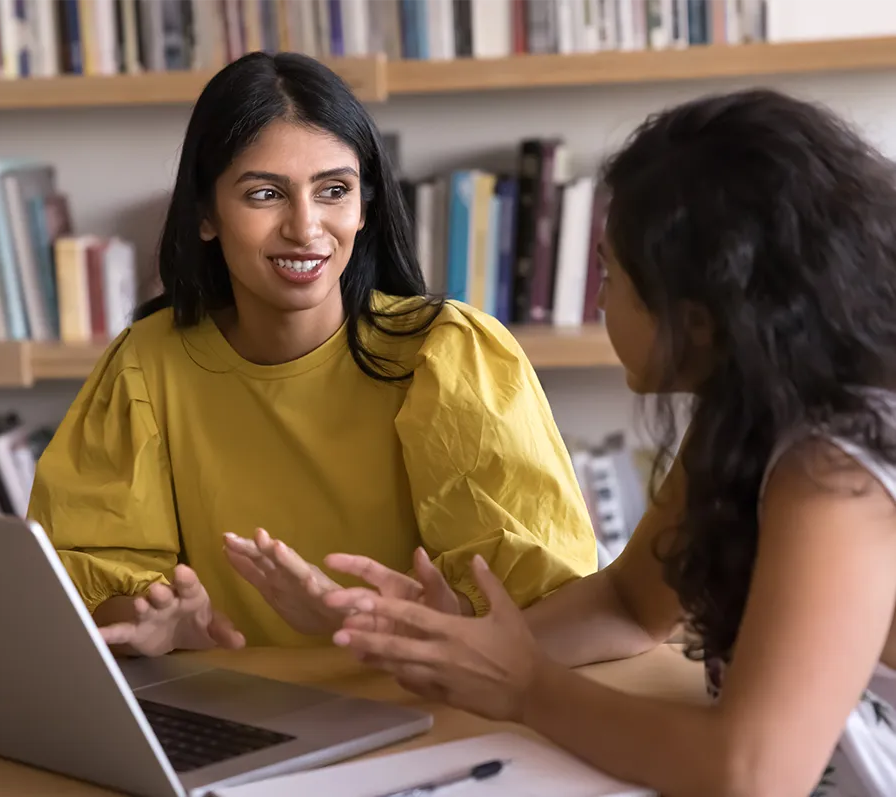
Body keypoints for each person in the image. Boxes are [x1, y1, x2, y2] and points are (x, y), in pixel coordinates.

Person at [326, 88, 896, 797]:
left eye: (611, 273)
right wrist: (473, 650)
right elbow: (631, 605)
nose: (598, 299)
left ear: (699, 322)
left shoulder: (832, 475)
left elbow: (751, 771)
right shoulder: (751, 416)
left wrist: (527, 687)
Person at [26, 51, 598, 655]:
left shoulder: (448, 354)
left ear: (364, 207)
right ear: (205, 216)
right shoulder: (145, 365)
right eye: (265, 194)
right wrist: (156, 622)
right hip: (231, 716)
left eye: (333, 190)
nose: (306, 228)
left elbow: (544, 601)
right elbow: (86, 575)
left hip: (423, 707)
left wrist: (403, 620)